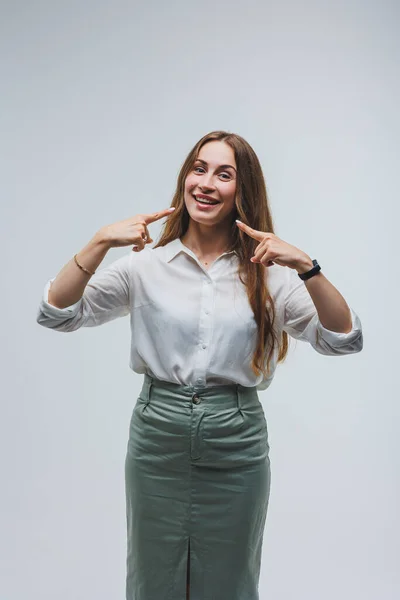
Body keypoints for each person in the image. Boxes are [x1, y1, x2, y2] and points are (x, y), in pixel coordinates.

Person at [36, 130, 363, 600]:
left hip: (238, 439)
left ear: (242, 190)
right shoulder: (146, 264)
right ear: (185, 179)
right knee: (154, 579)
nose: (206, 183)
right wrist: (100, 241)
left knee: (230, 582)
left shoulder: (269, 275)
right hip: (157, 437)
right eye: (199, 169)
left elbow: (343, 339)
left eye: (224, 174)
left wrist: (307, 267)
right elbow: (57, 313)